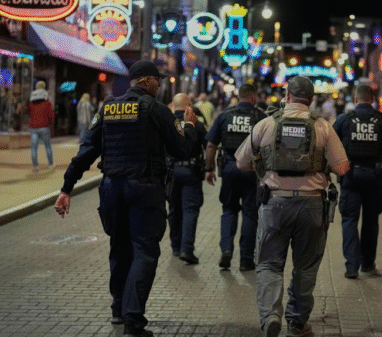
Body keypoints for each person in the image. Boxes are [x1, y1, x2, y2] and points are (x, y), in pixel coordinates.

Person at [54, 60, 199, 337]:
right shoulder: (156, 110)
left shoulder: (107, 108)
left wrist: (66, 188)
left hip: (111, 189)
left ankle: (119, 309)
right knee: (145, 251)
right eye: (158, 80)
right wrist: (188, 125)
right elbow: (182, 150)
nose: (160, 84)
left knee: (119, 248)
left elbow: (86, 151)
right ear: (145, 81)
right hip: (144, 189)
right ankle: (133, 317)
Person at [235, 76, 349, 337]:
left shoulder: (266, 124)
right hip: (311, 206)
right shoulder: (323, 127)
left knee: (268, 264)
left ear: (286, 96)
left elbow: (241, 162)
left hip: (275, 202)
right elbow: (342, 167)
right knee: (306, 266)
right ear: (311, 100)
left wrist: (264, 167)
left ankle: (271, 316)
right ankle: (297, 322)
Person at [333, 84, 382, 279]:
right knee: (371, 221)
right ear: (372, 99)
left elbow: (328, 149)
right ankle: (368, 263)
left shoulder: (343, 120)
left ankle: (351, 267)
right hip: (375, 178)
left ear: (355, 100)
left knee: (349, 221)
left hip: (350, 178)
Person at [205, 83, 267, 271]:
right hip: (251, 170)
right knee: (250, 213)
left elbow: (210, 145)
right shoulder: (261, 117)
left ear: (238, 96)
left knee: (229, 210)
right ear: (253, 97)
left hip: (229, 168)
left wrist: (209, 168)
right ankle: (246, 260)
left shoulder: (225, 115)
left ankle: (226, 250)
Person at [167, 93, 207, 264]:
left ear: (174, 106)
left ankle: (175, 247)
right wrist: (210, 168)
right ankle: (187, 249)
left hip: (170, 172)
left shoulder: (167, 122)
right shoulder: (196, 123)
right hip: (191, 171)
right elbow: (208, 144)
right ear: (188, 105)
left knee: (174, 209)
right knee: (190, 210)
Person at [24, 80, 54, 171]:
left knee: (34, 147)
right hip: (44, 127)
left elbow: (27, 112)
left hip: (33, 127)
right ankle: (51, 164)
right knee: (47, 146)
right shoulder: (47, 102)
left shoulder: (32, 103)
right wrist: (48, 123)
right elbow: (51, 115)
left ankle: (35, 166)